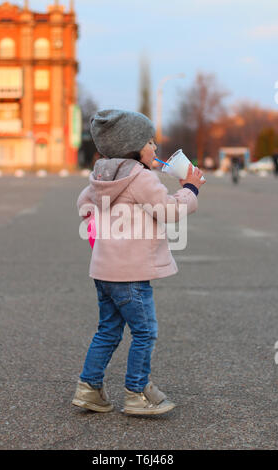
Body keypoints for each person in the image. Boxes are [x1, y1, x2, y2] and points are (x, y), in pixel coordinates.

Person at [72, 109, 206, 416]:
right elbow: (169, 211)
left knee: (108, 330)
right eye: (149, 142)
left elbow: (83, 204)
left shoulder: (100, 175)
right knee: (145, 332)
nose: (155, 148)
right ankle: (137, 392)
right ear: (131, 146)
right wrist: (190, 188)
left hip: (104, 270)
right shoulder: (141, 178)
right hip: (130, 274)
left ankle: (89, 388)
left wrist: (98, 221)